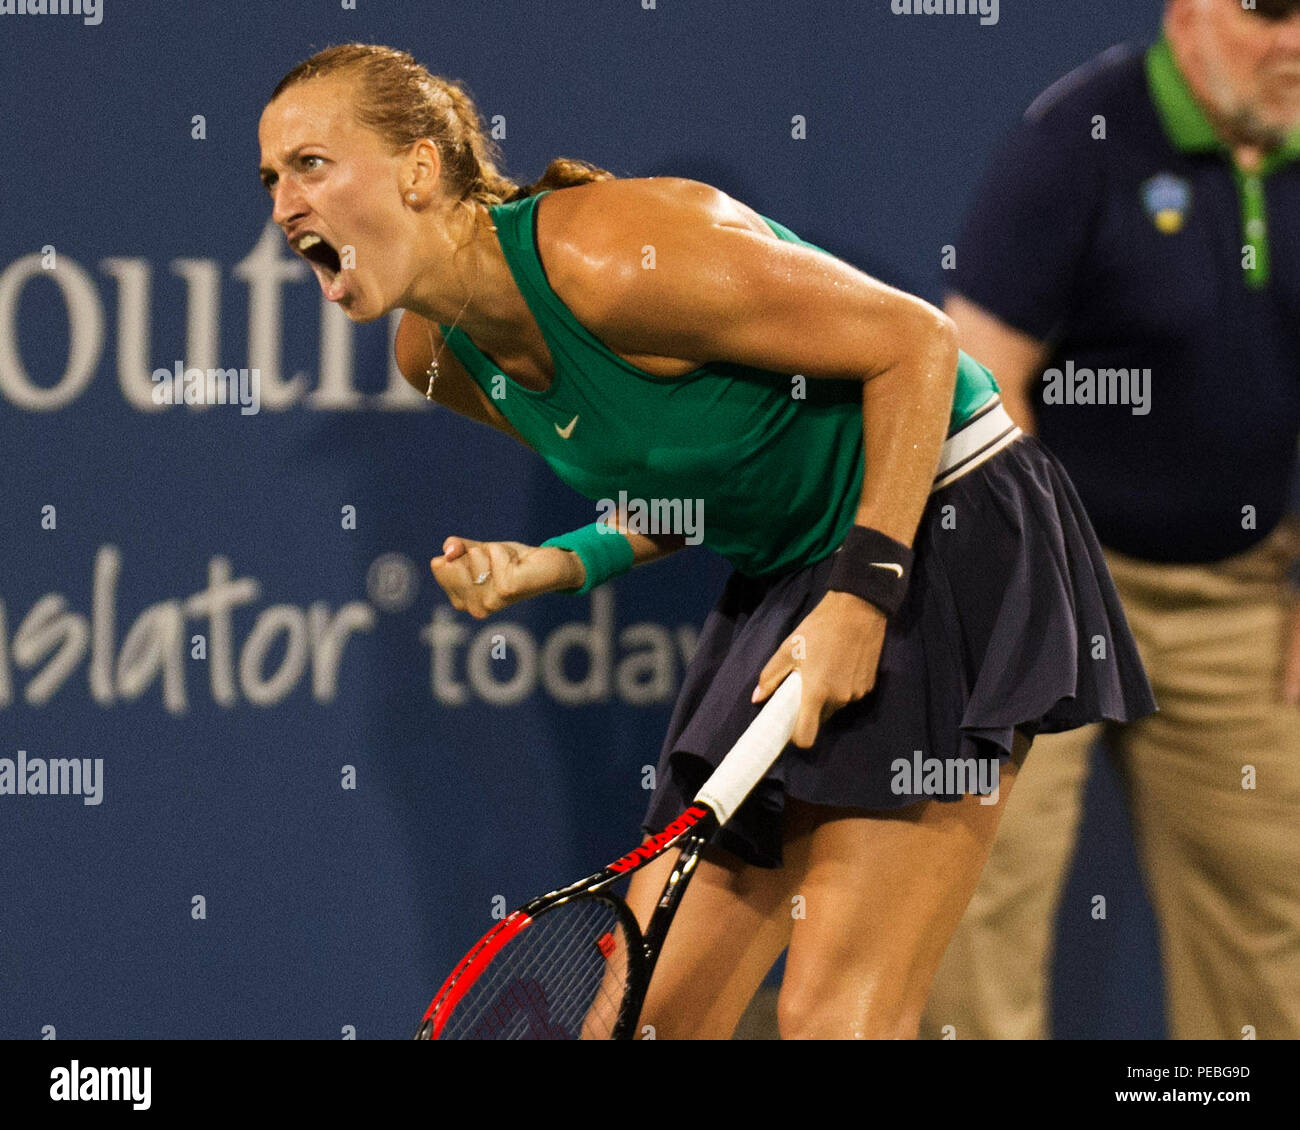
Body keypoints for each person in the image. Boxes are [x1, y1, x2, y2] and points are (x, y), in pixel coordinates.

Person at [258, 42, 1155, 1039]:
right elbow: (688, 477)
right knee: (645, 1019)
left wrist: (863, 596)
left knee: (836, 1016)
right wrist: (561, 561)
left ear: (420, 169)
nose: (285, 205)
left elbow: (916, 345)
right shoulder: (434, 355)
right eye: (271, 180)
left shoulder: (609, 260)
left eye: (311, 164)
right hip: (790, 572)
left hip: (940, 520)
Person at [921, 0, 1300, 1040]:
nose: (1293, 41)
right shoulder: (1078, 139)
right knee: (981, 906)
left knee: (1272, 915)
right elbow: (977, 376)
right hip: (1056, 592)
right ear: (1188, 14)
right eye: (1264, 10)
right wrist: (1025, 598)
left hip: (1237, 598)